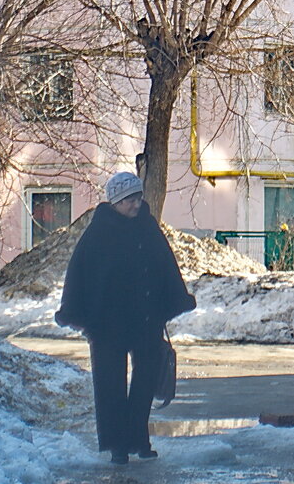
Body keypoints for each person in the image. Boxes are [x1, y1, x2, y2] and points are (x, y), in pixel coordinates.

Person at [55, 172, 196, 464]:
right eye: (129, 200)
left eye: (138, 197)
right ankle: (117, 445)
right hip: (107, 323)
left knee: (145, 381)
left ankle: (139, 438)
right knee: (110, 386)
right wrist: (74, 312)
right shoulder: (98, 231)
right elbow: (78, 274)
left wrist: (173, 300)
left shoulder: (147, 226)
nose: (136, 204)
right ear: (115, 202)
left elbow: (166, 265)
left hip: (146, 318)